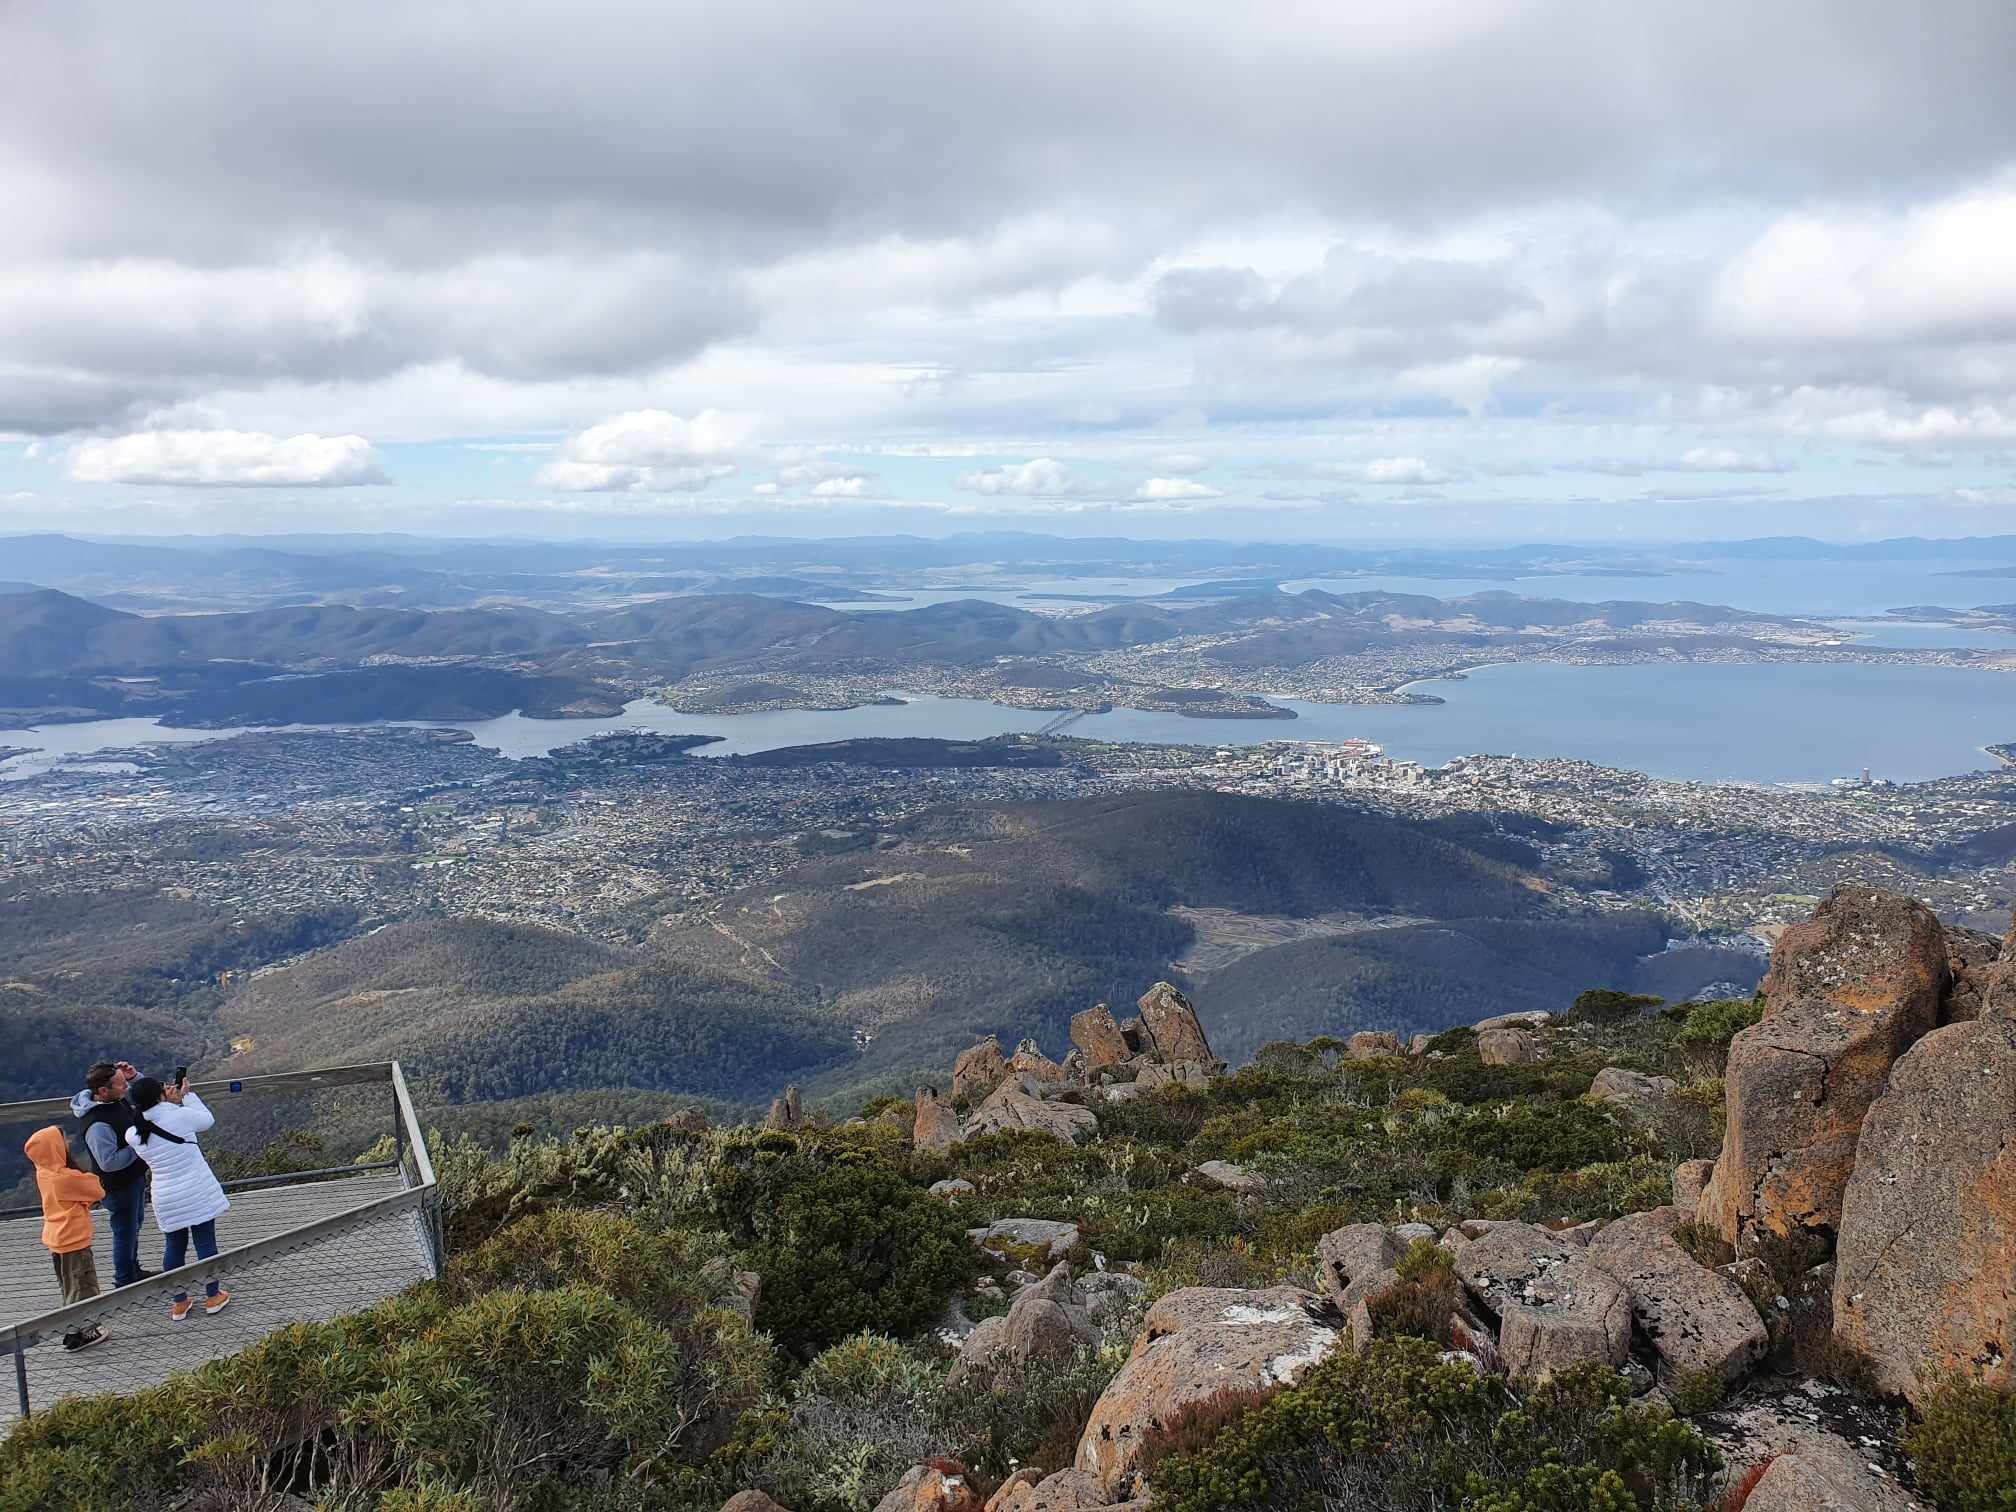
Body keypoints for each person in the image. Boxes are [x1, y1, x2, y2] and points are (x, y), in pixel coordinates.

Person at [124, 1074, 232, 1321]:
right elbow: (207, 1120)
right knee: (205, 1243)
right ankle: (213, 1296)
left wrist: (167, 1103)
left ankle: (179, 1303)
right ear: (160, 1095)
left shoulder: (133, 1133)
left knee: (174, 1246)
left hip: (166, 1195)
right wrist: (186, 1097)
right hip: (195, 1190)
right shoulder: (179, 1114)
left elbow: (152, 1121)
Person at [69, 1059, 152, 1289]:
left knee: (134, 1224)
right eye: (121, 1084)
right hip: (118, 1186)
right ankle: (124, 1282)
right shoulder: (97, 1124)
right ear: (103, 1091)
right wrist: (139, 1145)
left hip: (132, 1178)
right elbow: (109, 1162)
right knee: (124, 1231)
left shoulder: (114, 1100)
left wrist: (134, 1076)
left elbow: (148, 1095)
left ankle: (132, 1271)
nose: (125, 1087)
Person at [25, 1126, 109, 1351]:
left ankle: (73, 1329)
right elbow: (97, 1189)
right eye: (63, 1140)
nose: (68, 1142)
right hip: (74, 1238)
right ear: (55, 1148)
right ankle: (81, 1334)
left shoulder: (43, 1172)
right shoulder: (64, 1178)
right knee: (83, 1286)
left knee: (69, 1286)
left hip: (56, 1238)